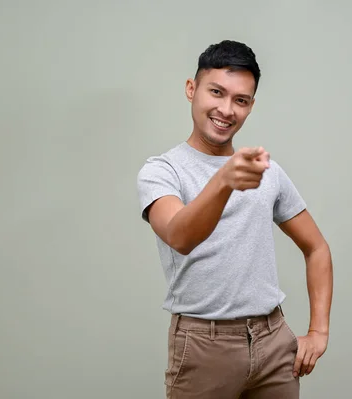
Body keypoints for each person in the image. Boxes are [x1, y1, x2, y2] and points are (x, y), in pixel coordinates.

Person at [136, 39, 333, 399]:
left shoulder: (266, 172)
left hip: (274, 342)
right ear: (191, 89)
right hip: (202, 345)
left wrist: (318, 332)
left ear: (250, 107)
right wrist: (224, 180)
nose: (227, 110)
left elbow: (316, 247)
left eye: (240, 100)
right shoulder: (162, 171)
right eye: (216, 92)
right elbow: (179, 236)